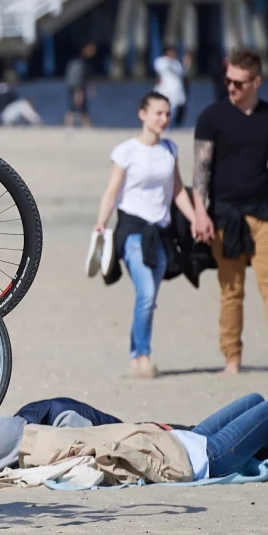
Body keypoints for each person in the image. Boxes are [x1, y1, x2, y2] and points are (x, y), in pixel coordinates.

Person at [192, 48, 268, 377]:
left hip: (264, 213)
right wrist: (200, 214)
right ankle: (232, 360)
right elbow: (200, 173)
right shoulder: (211, 118)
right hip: (225, 216)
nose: (231, 87)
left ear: (256, 82)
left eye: (239, 83)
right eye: (228, 80)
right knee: (231, 291)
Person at [0, 391, 268, 479]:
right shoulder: (56, 439)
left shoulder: (42, 445)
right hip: (197, 456)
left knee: (256, 401)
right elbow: (115, 457)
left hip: (182, 441)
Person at [94, 93, 199, 377]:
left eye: (167, 114)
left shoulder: (170, 149)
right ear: (143, 114)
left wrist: (196, 219)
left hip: (161, 233)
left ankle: (138, 354)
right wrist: (101, 222)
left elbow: (177, 189)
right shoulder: (126, 151)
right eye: (158, 113)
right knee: (147, 293)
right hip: (132, 232)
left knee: (149, 299)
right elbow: (112, 190)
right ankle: (142, 355)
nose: (164, 119)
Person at [153, 46, 189, 126]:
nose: (173, 54)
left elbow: (182, 73)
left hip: (176, 91)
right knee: (164, 109)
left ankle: (171, 126)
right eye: (171, 52)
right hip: (165, 90)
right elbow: (161, 69)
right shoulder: (161, 61)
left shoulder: (176, 63)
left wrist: (186, 64)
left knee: (174, 111)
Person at [64, 42, 96, 128]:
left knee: (76, 108)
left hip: (74, 86)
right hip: (77, 87)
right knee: (76, 107)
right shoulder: (80, 62)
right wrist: (78, 90)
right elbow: (76, 77)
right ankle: (73, 126)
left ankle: (77, 126)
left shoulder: (79, 61)